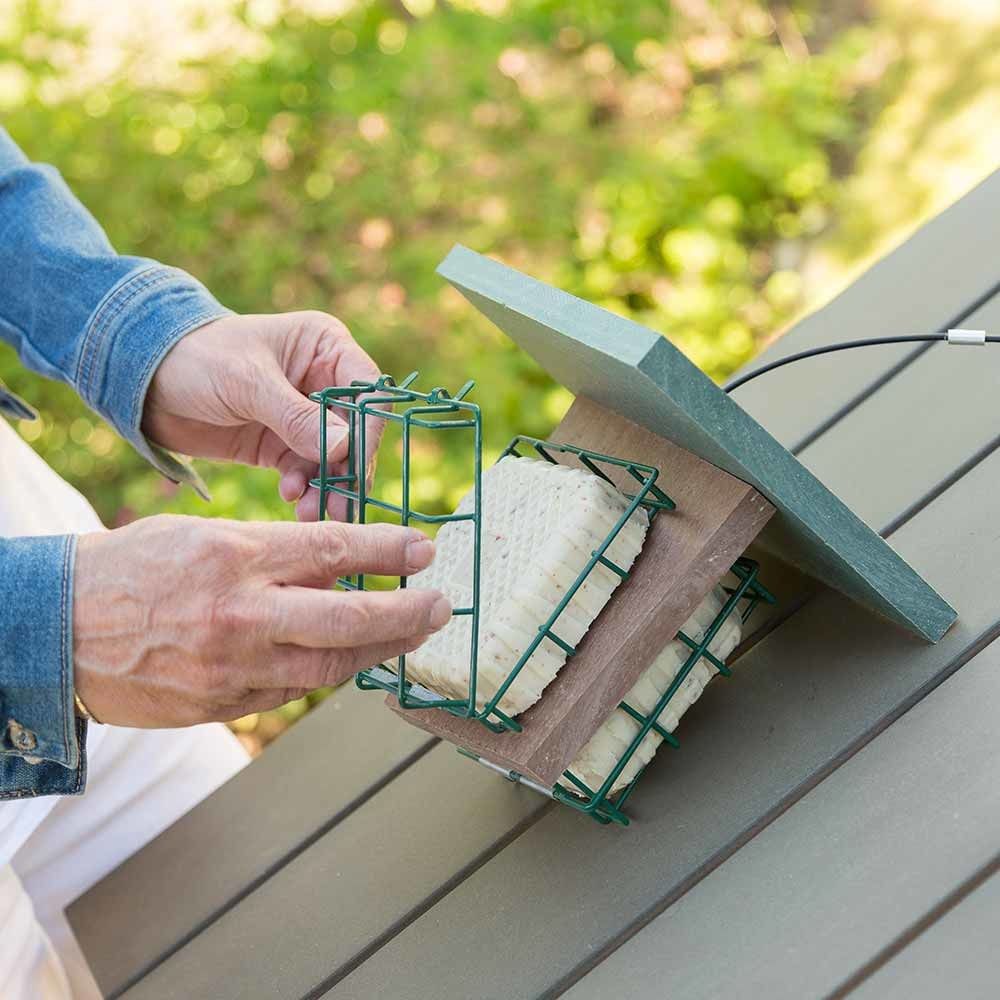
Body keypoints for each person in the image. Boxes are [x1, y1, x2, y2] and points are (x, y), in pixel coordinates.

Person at [0, 127, 451, 997]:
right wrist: (41, 633)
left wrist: (149, 340)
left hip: (48, 575)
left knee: (288, 951)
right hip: (50, 614)